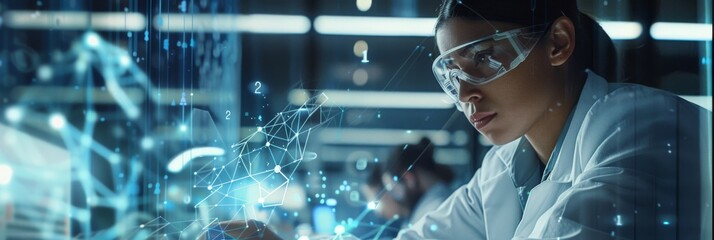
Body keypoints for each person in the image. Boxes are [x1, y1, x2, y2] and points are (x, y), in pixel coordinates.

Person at [396, 0, 711, 239]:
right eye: (452, 74)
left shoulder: (644, 125)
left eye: (484, 57)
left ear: (558, 43)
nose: (465, 93)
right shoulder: (503, 168)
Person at [380, 137, 454, 228]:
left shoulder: (436, 210)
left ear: (408, 178)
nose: (395, 198)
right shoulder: (437, 204)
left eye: (394, 191)